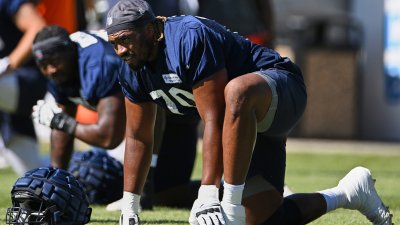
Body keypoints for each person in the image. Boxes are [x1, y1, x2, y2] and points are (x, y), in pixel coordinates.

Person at [105, 0, 393, 225]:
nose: (120, 50)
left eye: (125, 39)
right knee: (265, 220)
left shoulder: (187, 37)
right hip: (243, 127)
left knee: (236, 92)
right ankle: (349, 193)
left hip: (278, 88)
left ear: (153, 30)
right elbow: (138, 137)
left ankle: (230, 202)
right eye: (114, 43)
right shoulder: (132, 67)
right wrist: (131, 205)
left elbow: (214, 119)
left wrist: (209, 196)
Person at [31, 25, 200, 209]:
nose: (51, 70)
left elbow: (108, 136)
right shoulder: (61, 66)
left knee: (162, 192)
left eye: (54, 61)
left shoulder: (99, 64)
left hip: (177, 109)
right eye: (43, 65)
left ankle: (218, 191)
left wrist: (61, 122)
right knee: (163, 194)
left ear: (70, 50)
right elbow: (63, 124)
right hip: (144, 121)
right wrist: (55, 183)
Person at [0, 0, 47, 175]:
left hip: (25, 79)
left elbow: (38, 27)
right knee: (33, 175)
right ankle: (84, 165)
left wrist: (7, 64)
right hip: (6, 102)